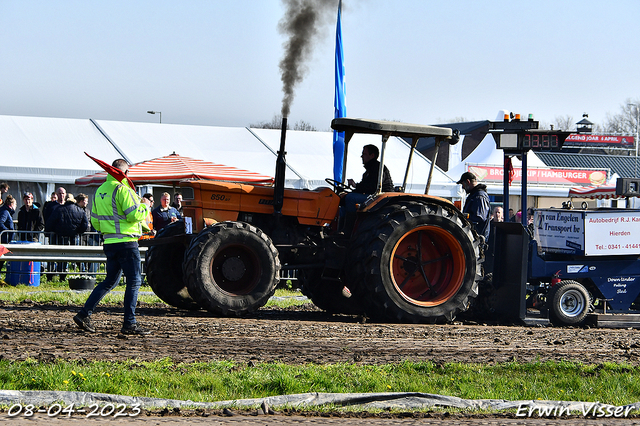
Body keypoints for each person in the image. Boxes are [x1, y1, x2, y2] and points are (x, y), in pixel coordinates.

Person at [73, 159, 152, 335]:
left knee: (110, 281)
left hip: (109, 242)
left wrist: (109, 231)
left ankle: (84, 314)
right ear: (125, 173)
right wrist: (145, 207)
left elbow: (94, 221)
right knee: (134, 281)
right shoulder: (123, 190)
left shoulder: (100, 190)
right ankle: (129, 323)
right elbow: (133, 215)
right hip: (126, 242)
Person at [344, 144, 394, 213]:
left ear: (372, 155)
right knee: (344, 197)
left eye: (364, 154)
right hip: (374, 195)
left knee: (350, 198)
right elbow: (365, 185)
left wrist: (356, 185)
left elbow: (373, 187)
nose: (361, 156)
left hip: (381, 196)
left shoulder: (378, 168)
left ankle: (350, 222)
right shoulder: (369, 170)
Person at [457, 172, 491, 242]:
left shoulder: (479, 196)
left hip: (478, 238)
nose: (463, 187)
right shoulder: (475, 195)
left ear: (468, 181)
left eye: (463, 184)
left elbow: (480, 217)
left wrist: (465, 218)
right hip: (474, 237)